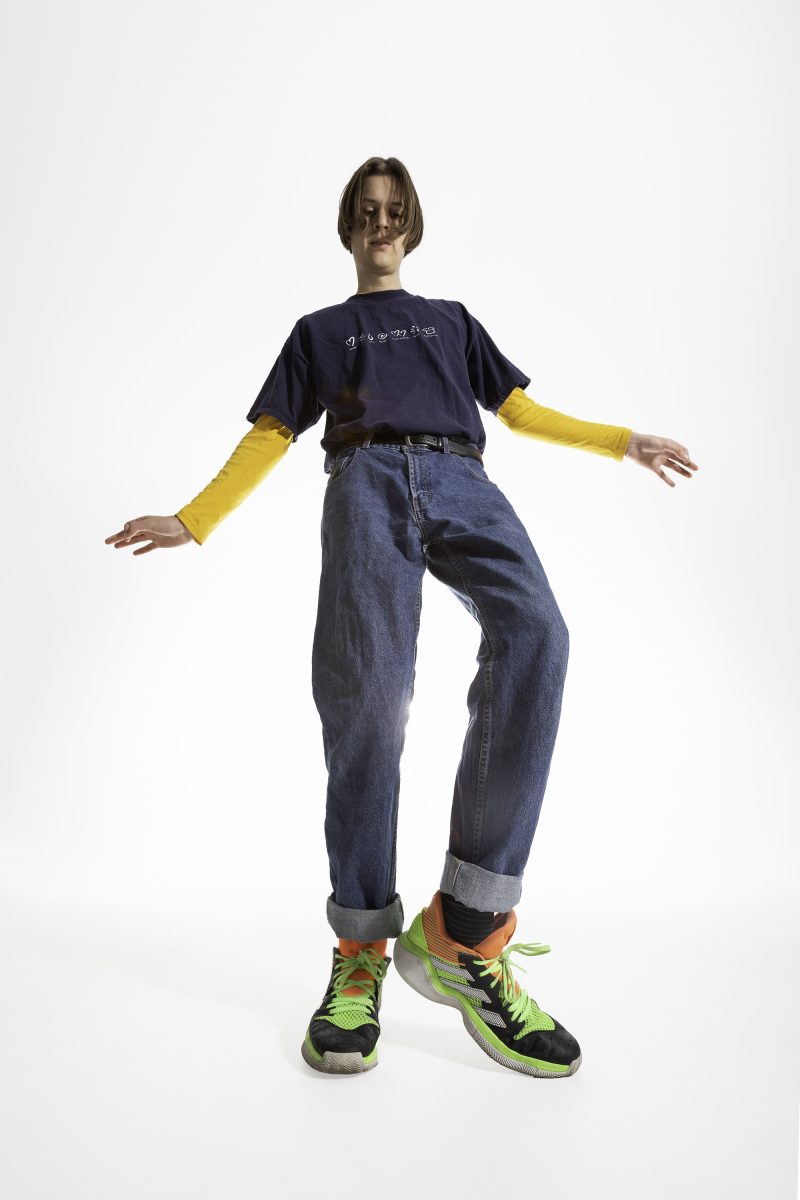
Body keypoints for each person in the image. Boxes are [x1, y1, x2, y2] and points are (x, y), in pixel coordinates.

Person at [105, 155, 699, 1079]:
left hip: (464, 482)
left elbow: (519, 412)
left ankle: (464, 927)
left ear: (412, 227)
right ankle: (360, 951)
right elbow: (271, 434)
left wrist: (622, 442)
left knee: (539, 634)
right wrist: (195, 518)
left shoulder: (451, 320)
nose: (381, 224)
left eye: (395, 212)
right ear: (348, 227)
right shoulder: (321, 331)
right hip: (365, 484)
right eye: (367, 211)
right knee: (371, 703)